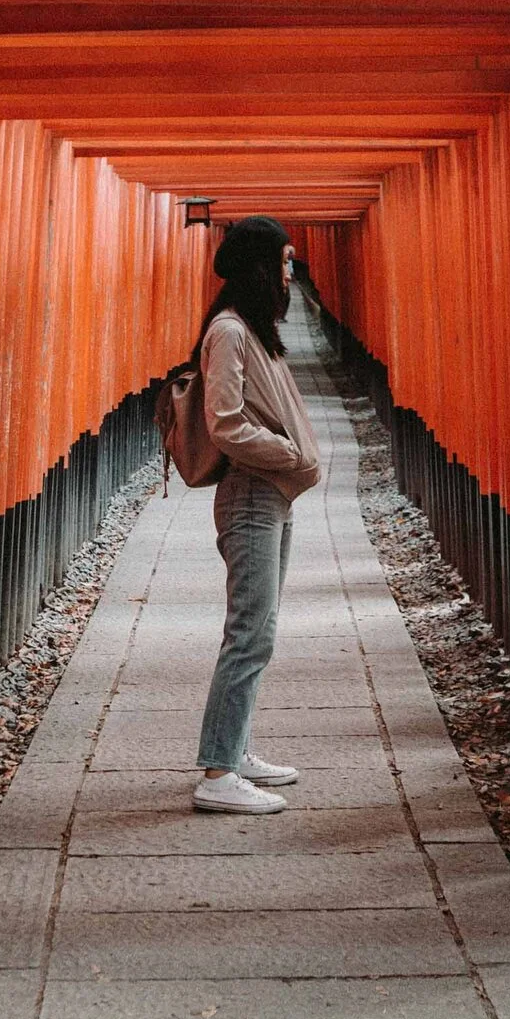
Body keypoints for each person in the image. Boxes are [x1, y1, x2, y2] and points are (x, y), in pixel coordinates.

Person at [190, 216, 322, 815]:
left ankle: (235, 749)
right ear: (262, 267)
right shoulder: (229, 332)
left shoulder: (251, 328)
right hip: (251, 494)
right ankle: (217, 773)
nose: (292, 272)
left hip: (271, 495)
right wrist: (288, 453)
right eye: (286, 260)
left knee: (259, 631)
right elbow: (225, 422)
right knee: (249, 634)